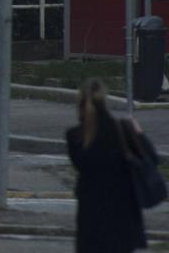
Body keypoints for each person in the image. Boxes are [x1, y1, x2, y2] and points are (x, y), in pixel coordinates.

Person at [66, 78, 154, 253]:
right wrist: (139, 133)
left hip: (90, 219)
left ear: (81, 105)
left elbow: (80, 165)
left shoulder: (75, 136)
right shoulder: (123, 130)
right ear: (104, 101)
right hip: (123, 218)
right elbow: (152, 158)